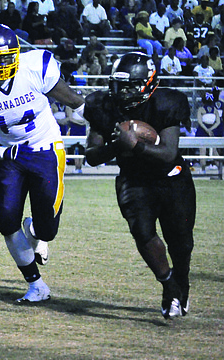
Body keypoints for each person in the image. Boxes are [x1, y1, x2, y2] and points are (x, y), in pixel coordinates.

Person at [0, 24, 85, 302]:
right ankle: (36, 285)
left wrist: (103, 124)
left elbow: (77, 103)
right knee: (6, 221)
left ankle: (36, 230)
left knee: (47, 231)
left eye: (7, 57)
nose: (2, 64)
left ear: (17, 53)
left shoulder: (36, 66)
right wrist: (5, 154)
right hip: (10, 154)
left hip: (46, 149)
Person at [83, 52, 195, 319]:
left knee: (181, 242)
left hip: (172, 178)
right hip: (134, 179)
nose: (122, 92)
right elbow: (91, 155)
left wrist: (134, 144)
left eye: (130, 85)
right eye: (119, 85)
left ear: (148, 83)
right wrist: (116, 145)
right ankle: (168, 284)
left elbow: (168, 153)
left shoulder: (167, 102)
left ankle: (182, 281)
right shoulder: (104, 105)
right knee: (142, 232)